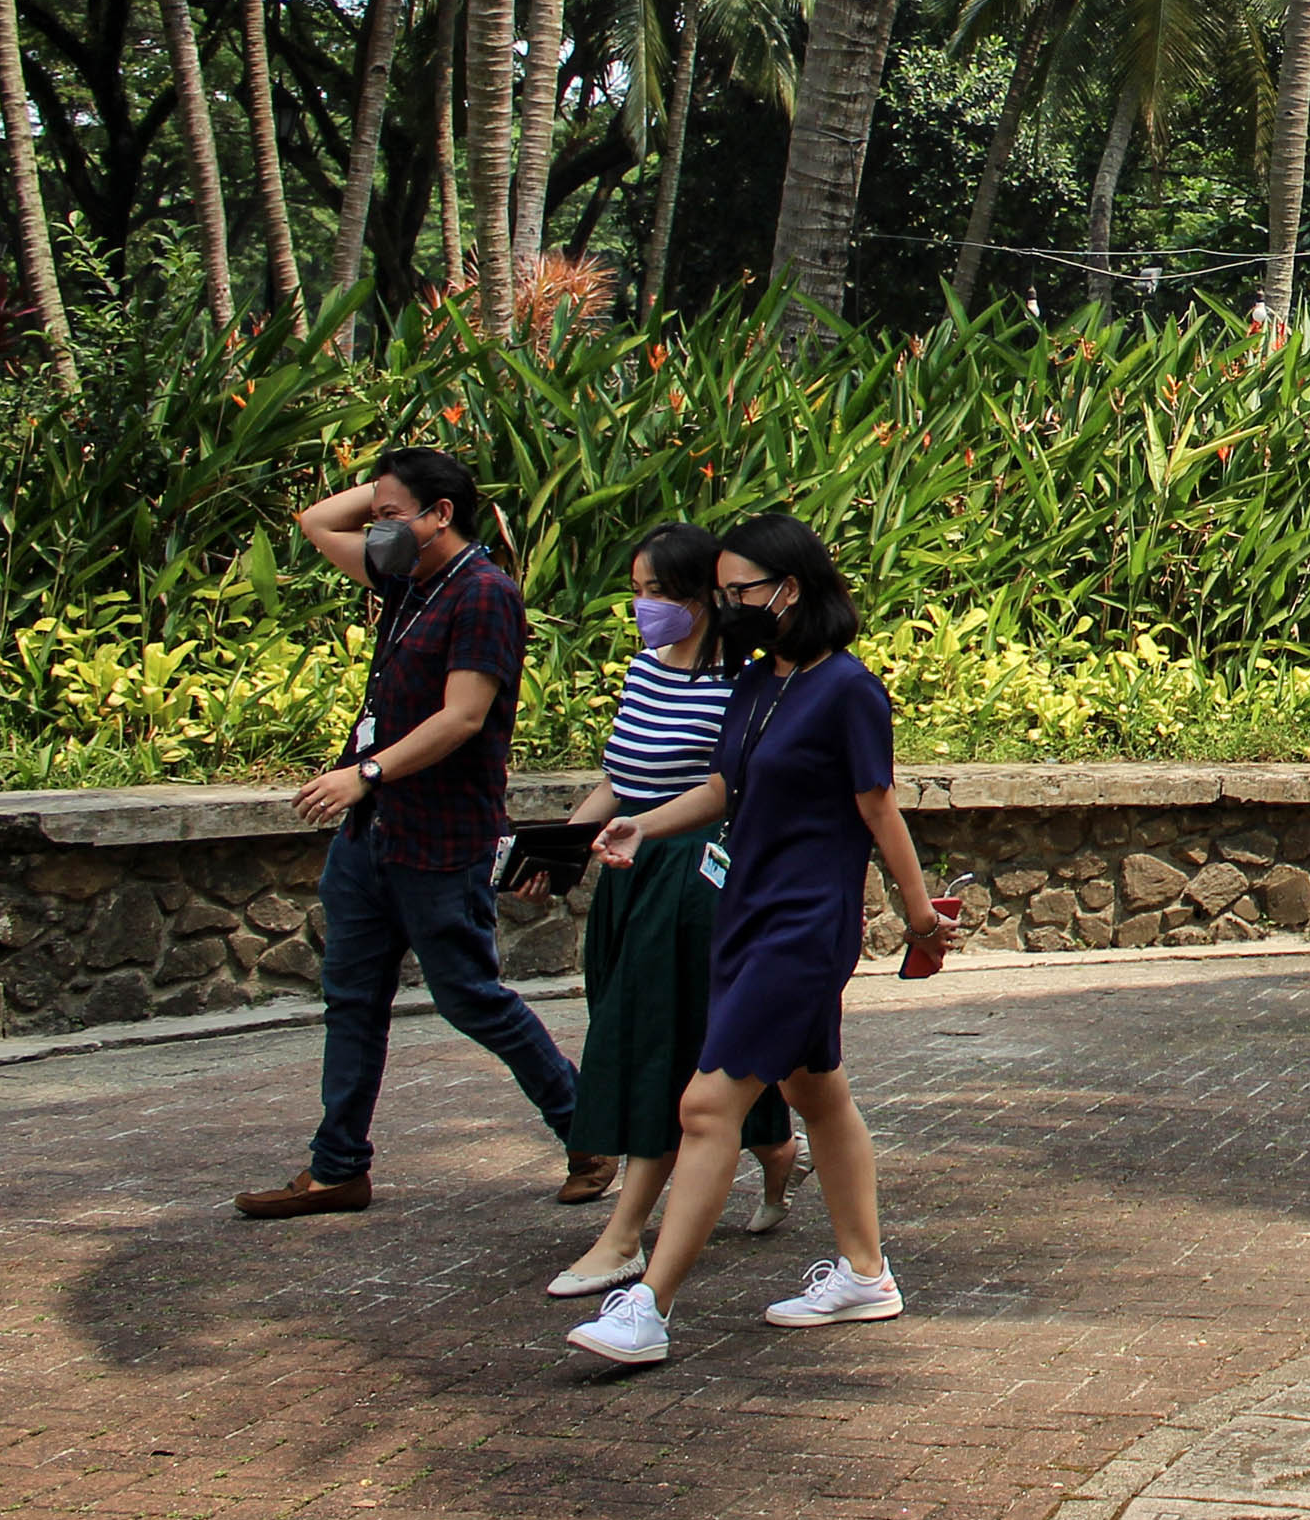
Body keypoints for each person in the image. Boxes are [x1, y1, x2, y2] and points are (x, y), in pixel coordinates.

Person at [565, 515, 949, 1365]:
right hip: (743, 911)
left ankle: (648, 1306)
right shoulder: (757, 682)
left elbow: (878, 808)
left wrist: (920, 918)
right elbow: (723, 788)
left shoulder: (848, 689)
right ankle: (866, 1272)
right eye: (724, 591)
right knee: (817, 1092)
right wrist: (641, 826)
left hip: (803, 925)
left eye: (742, 590)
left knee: (706, 1105)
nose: (728, 604)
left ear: (791, 588)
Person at [238, 447, 581, 1218]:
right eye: (379, 514)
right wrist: (392, 490)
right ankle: (337, 1167)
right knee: (351, 998)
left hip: (440, 833)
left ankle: (586, 1129)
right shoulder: (408, 583)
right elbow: (314, 519)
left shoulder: (484, 595)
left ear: (442, 516)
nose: (377, 527)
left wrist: (365, 773)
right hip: (372, 836)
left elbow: (462, 716)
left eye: (394, 514)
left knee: (471, 998)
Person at [538, 525, 799, 1299]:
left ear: (703, 597)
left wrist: (648, 828)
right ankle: (775, 1144)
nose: (644, 607)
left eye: (660, 592)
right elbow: (621, 776)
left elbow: (725, 791)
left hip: (693, 875)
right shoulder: (645, 672)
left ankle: (626, 1234)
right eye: (638, 590)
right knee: (657, 1029)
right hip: (630, 870)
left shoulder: (742, 682)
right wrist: (557, 851)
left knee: (660, 1040)